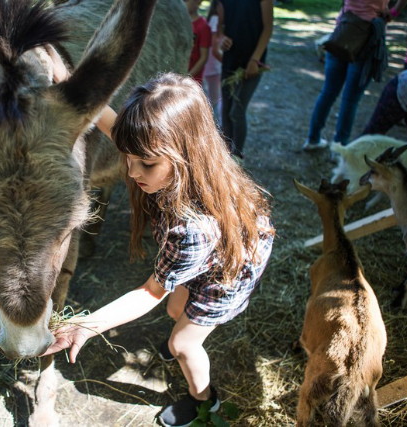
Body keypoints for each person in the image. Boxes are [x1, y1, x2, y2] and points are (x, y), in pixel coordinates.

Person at [42, 73, 275, 427]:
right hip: (208, 254)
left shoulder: (191, 228)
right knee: (176, 307)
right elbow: (110, 123)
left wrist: (87, 326)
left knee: (184, 344)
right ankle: (179, 335)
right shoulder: (172, 150)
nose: (132, 171)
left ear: (183, 153)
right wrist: (72, 84)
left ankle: (205, 402)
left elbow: (149, 291)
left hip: (227, 272)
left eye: (146, 164)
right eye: (128, 157)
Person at [303, 0, 407, 150]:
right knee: (350, 100)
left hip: (342, 34)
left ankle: (313, 139)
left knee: (328, 92)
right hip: (367, 40)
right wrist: (393, 11)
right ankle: (340, 148)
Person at [217, 0, 273, 158]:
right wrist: (221, 38)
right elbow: (220, 25)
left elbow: (268, 28)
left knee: (237, 111)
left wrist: (255, 60)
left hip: (252, 63)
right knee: (226, 111)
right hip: (230, 60)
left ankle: (237, 157)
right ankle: (226, 156)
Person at [203, 0, 223, 123]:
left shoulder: (211, 20)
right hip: (214, 66)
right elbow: (215, 46)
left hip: (212, 65)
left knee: (214, 96)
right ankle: (215, 124)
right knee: (215, 99)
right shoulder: (216, 21)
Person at [185, 0, 212, 84]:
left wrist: (187, 77)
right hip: (177, 75)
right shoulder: (179, 23)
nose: (184, 4)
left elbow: (203, 58)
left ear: (198, 2)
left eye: (186, 1)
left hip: (193, 81)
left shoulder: (203, 26)